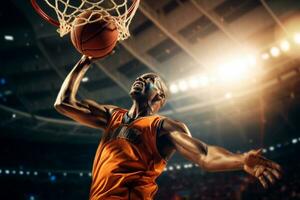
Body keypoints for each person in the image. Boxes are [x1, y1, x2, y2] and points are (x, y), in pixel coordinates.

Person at [54, 56, 282, 200]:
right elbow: (63, 103)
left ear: (159, 95)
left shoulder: (163, 126)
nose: (140, 79)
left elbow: (205, 155)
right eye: (140, 77)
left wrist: (241, 161)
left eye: (149, 79)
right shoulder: (113, 115)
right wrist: (85, 61)